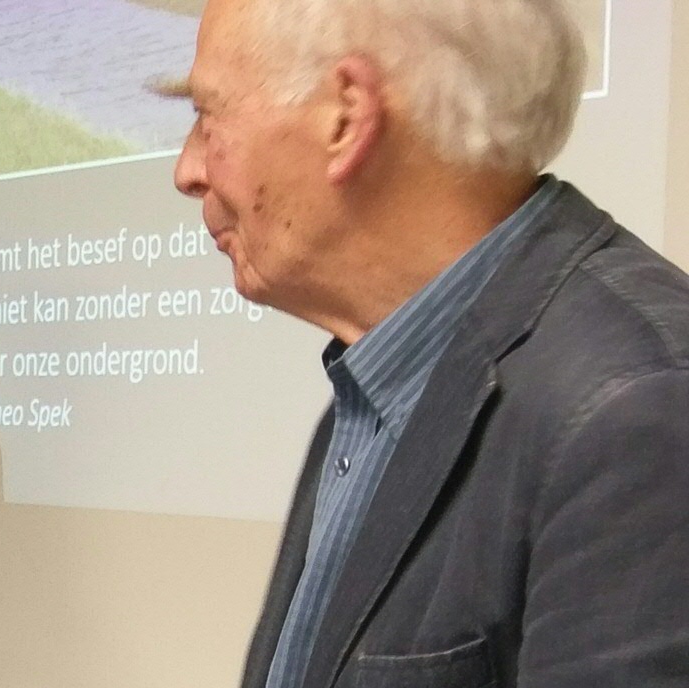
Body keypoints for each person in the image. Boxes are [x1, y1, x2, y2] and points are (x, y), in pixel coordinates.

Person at [169, 1, 689, 687]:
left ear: (346, 116)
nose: (187, 169)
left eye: (209, 114)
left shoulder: (634, 414)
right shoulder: (377, 386)